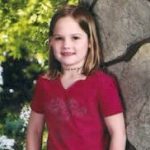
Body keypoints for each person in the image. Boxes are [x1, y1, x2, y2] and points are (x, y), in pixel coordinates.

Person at [26, 4, 126, 150]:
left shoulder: (103, 83)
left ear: (90, 42)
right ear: (51, 43)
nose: (66, 45)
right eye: (59, 38)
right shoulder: (44, 84)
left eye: (75, 38)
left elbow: (118, 133)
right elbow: (34, 131)